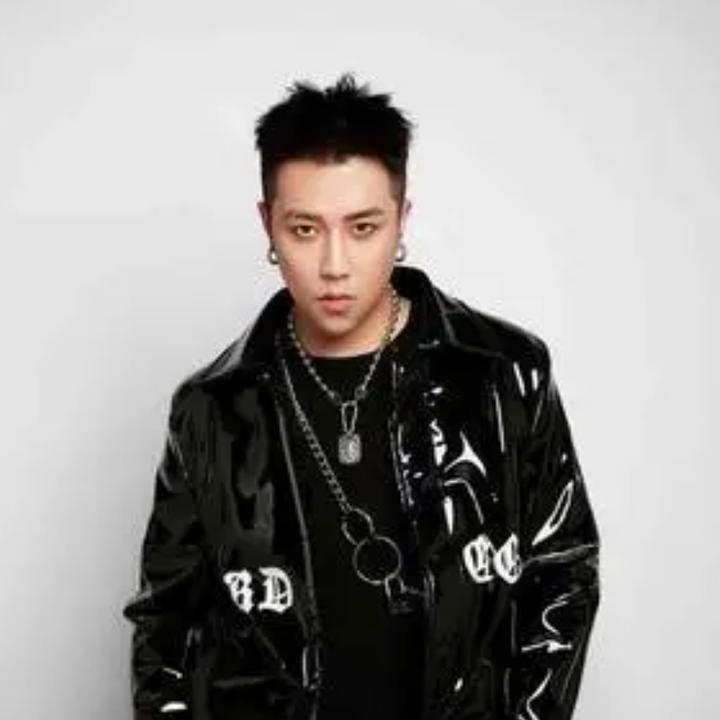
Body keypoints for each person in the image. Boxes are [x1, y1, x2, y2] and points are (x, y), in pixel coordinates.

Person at [122, 72, 601, 720]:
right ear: (268, 226)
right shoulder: (212, 408)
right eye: (305, 229)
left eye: (363, 227)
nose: (335, 265)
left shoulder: (503, 374)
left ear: (402, 219)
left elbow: (563, 571)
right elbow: (166, 624)